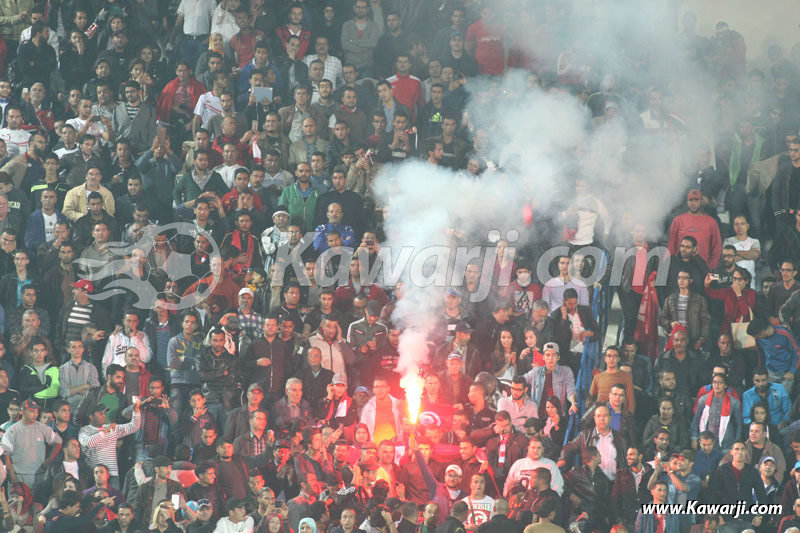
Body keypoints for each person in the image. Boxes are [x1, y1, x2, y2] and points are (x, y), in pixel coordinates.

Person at [1, 399, 62, 487]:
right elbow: (6, 454)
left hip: (38, 477)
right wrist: (12, 475)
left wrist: (48, 460)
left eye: (36, 411)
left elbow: (58, 442)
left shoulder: (42, 428)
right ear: (22, 412)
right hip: (19, 476)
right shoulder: (12, 430)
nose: (35, 414)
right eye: (32, 411)